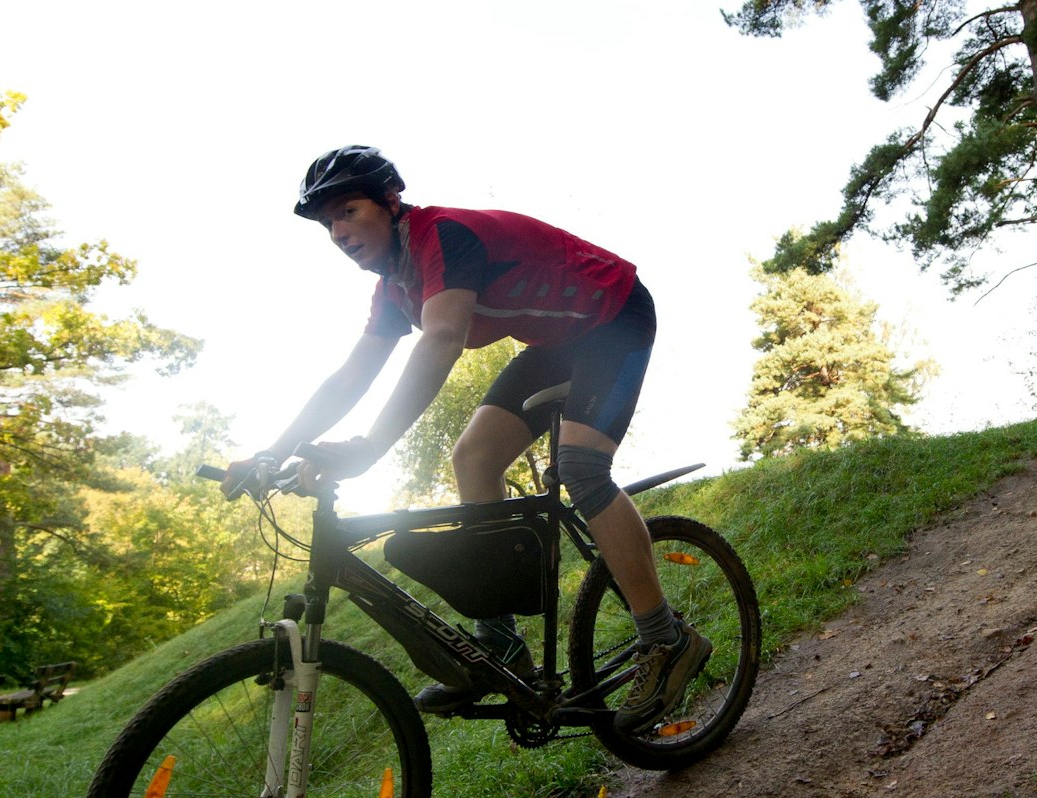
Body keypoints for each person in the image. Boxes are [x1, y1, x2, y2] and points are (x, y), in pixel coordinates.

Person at [229, 145, 707, 734]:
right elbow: (351, 376)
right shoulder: (395, 286)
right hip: (558, 343)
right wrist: (273, 451)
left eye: (348, 212)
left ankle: (667, 638)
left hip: (614, 316)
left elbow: (442, 340)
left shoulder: (444, 237)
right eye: (328, 224)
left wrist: (371, 447)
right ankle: (499, 643)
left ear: (390, 202)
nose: (338, 232)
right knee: (474, 458)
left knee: (581, 466)